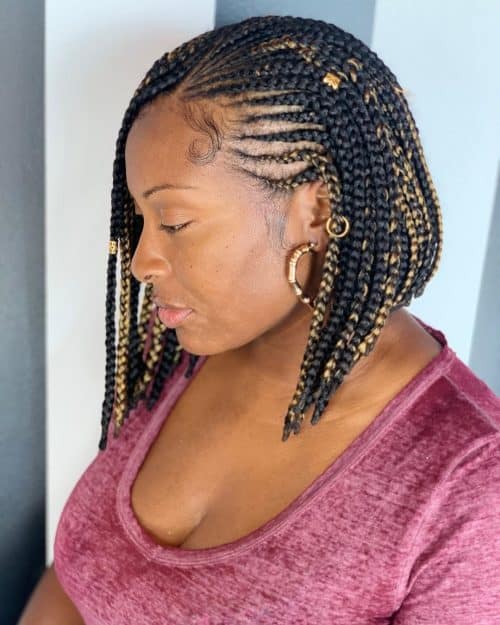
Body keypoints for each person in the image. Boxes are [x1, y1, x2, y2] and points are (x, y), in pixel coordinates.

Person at [18, 14, 500, 625]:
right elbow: (80, 577)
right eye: (139, 220)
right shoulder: (180, 346)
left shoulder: (471, 486)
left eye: (174, 222)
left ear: (316, 210)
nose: (141, 261)